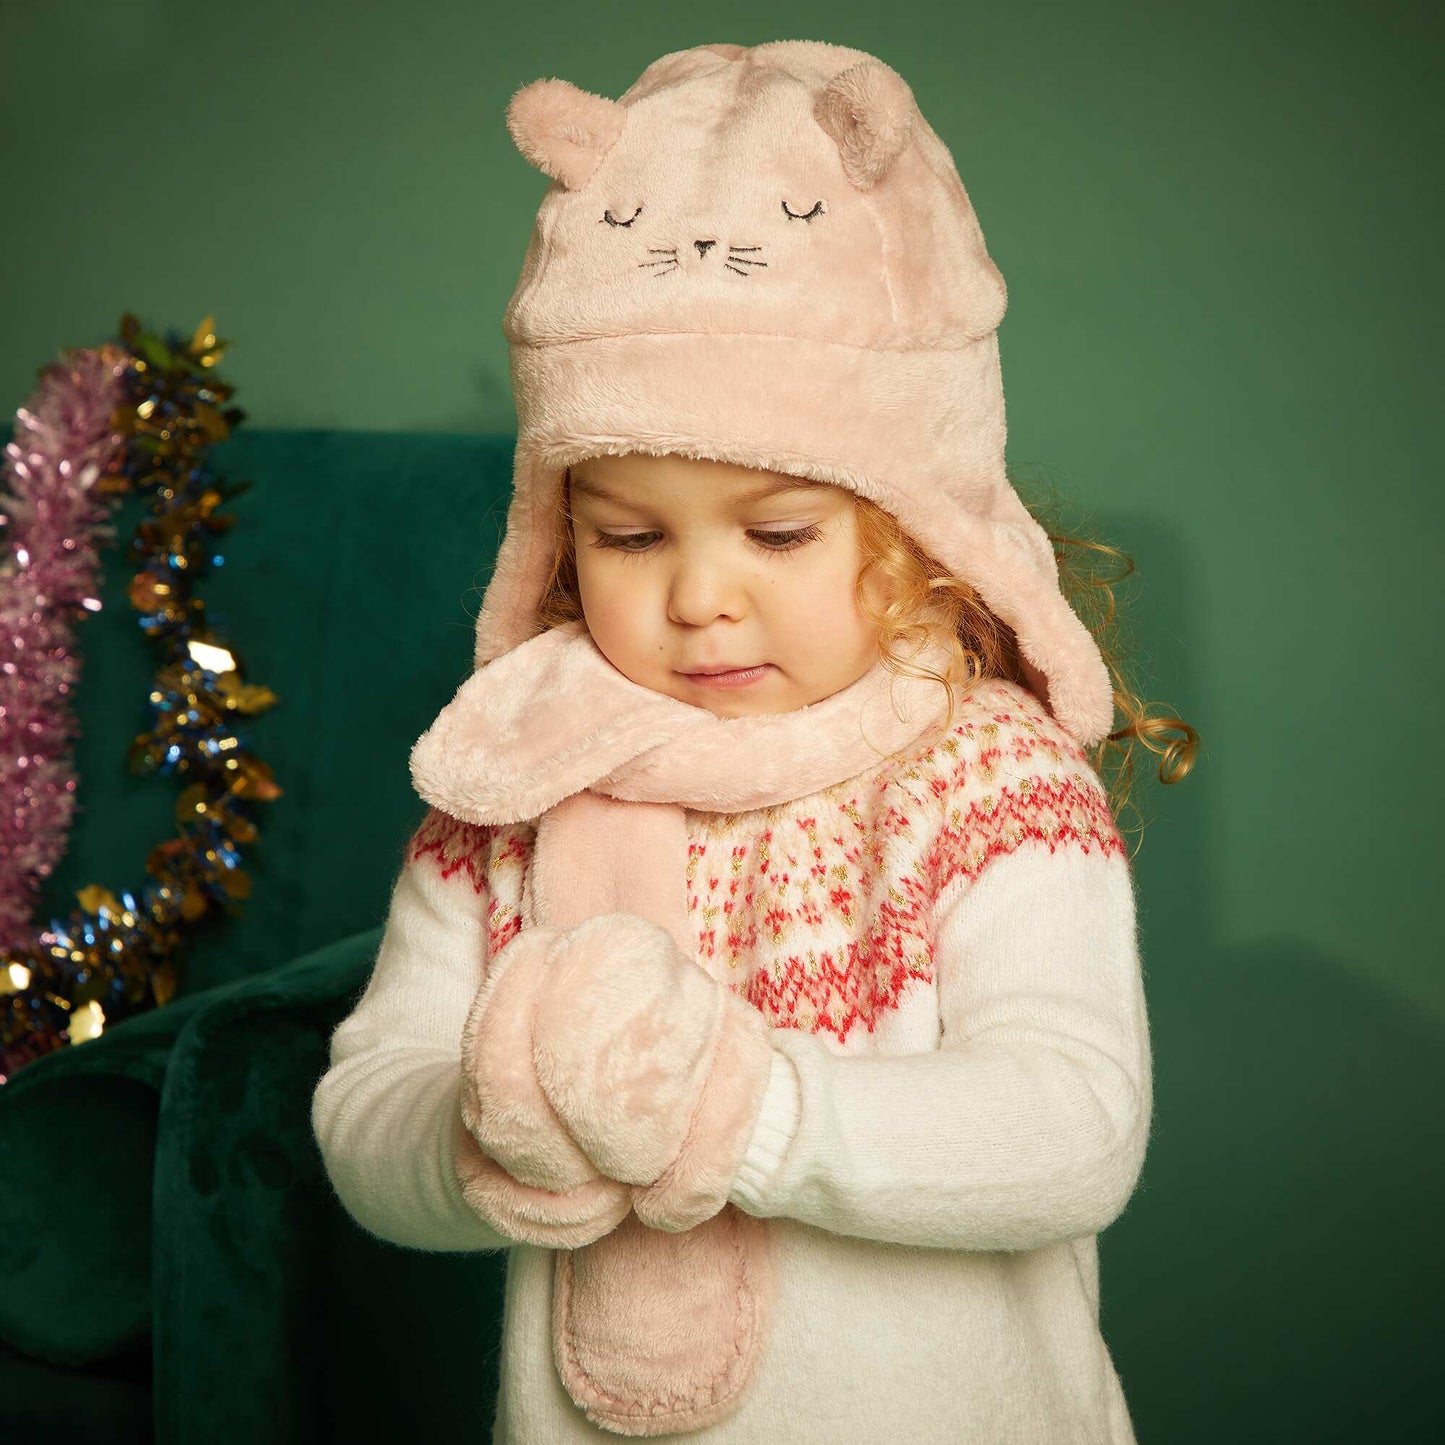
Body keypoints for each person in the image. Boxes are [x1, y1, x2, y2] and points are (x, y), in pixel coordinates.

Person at [311, 39, 1197, 1444]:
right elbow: (365, 1113)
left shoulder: (985, 783)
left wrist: (743, 1111)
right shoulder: (515, 788)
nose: (700, 593)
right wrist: (491, 1132)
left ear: (911, 530)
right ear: (556, 535)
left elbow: (1069, 1127)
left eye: (778, 531)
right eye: (626, 534)